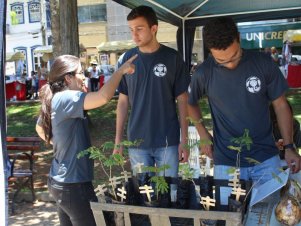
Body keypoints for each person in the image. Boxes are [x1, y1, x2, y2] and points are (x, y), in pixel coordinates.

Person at [187, 17, 301, 186]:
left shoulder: (262, 63)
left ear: (239, 38)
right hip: (226, 161)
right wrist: (203, 133)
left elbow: (281, 105)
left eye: (234, 56)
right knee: (228, 212)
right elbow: (190, 103)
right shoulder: (203, 73)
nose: (230, 64)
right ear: (211, 52)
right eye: (222, 61)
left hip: (266, 157)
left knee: (268, 210)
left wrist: (290, 146)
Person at [35, 54, 136, 226]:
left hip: (61, 182)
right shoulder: (67, 97)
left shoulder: (56, 97)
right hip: (74, 185)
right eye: (81, 73)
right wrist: (120, 71)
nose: (84, 77)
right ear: (68, 78)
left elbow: (39, 127)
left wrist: (60, 143)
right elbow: (103, 97)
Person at [113, 6, 190, 189]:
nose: (134, 34)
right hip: (137, 141)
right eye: (131, 29)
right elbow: (122, 102)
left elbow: (183, 101)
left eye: (139, 29)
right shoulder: (127, 59)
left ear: (154, 29)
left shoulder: (173, 58)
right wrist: (118, 140)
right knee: (143, 195)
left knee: (169, 193)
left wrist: (184, 139)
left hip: (167, 140)